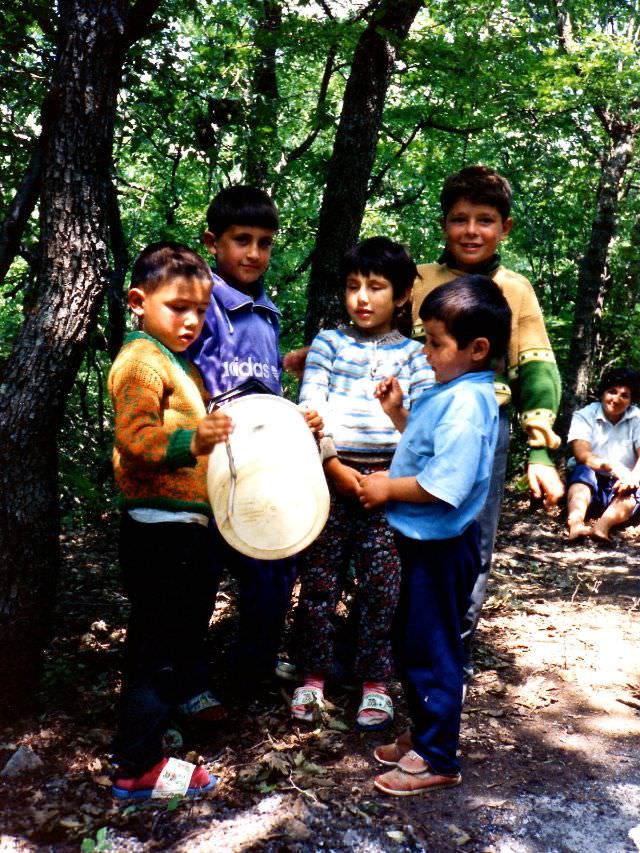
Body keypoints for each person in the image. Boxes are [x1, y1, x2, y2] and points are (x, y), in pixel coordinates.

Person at [359, 274, 511, 796]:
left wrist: (386, 488)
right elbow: (429, 453)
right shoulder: (453, 391)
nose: (424, 352)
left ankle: (439, 755)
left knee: (434, 649)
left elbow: (443, 485)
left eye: (435, 342)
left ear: (477, 348)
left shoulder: (468, 405)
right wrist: (397, 413)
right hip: (424, 542)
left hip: (442, 547)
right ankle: (426, 733)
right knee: (411, 640)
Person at [410, 165, 564, 678]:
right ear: (442, 224)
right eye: (459, 219)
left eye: (485, 220)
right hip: (409, 424)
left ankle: (455, 649)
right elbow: (374, 331)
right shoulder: (419, 280)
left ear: (506, 228)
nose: (471, 231)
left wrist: (540, 451)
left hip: (481, 433)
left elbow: (537, 369)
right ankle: (394, 650)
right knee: (401, 531)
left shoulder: (514, 289)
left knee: (471, 539)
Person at [290, 238, 433, 730]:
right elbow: (310, 413)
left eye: (376, 287)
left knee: (382, 585)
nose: (363, 298)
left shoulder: (418, 355)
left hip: (391, 484)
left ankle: (375, 681)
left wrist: (394, 429)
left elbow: (424, 431)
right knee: (320, 581)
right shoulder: (328, 344)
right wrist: (332, 466)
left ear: (402, 295)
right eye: (353, 287)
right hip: (329, 477)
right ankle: (313, 676)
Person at [108, 242, 233, 800]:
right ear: (139, 301)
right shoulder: (140, 359)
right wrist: (194, 438)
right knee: (155, 650)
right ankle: (137, 769)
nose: (192, 320)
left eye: (201, 310)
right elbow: (135, 442)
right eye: (178, 306)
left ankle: (153, 743)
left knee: (170, 640)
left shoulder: (176, 363)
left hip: (183, 527)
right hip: (157, 529)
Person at [188, 185, 321, 687]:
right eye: (241, 240)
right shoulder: (200, 307)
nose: (254, 253)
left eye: (264, 242)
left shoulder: (268, 311)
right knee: (199, 578)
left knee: (273, 567)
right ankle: (192, 682)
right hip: (214, 464)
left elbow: (263, 386)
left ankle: (253, 669)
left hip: (266, 468)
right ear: (212, 242)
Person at [566, 367, 640, 542]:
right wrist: (612, 466)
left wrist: (632, 478)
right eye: (612, 392)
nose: (616, 399)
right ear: (602, 393)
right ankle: (576, 523)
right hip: (591, 486)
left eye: (625, 395)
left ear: (631, 400)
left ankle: (603, 526)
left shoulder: (637, 418)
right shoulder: (585, 415)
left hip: (621, 488)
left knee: (636, 486)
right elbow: (582, 454)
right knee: (583, 471)